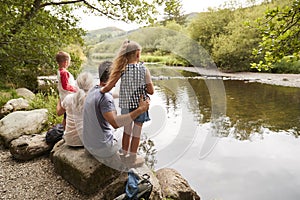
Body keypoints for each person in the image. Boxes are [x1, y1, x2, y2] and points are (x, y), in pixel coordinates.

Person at [83, 61, 150, 170]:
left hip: (89, 145)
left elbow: (109, 95)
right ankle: (128, 161)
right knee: (127, 133)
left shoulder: (93, 90)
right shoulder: (105, 98)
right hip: (100, 149)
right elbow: (115, 123)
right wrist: (140, 109)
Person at [100, 40, 154, 163]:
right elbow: (151, 91)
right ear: (138, 54)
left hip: (126, 106)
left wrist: (101, 92)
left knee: (127, 131)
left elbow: (109, 87)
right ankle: (133, 157)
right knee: (137, 133)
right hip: (141, 105)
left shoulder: (122, 69)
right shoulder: (144, 69)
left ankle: (124, 154)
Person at [56, 72, 94, 147]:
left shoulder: (69, 98)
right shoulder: (93, 99)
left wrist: (60, 99)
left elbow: (59, 113)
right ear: (91, 85)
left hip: (69, 140)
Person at [56, 51, 78, 128]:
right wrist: (76, 89)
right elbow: (66, 86)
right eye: (69, 61)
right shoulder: (64, 72)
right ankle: (66, 131)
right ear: (65, 62)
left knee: (66, 116)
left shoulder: (60, 71)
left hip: (64, 96)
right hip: (68, 96)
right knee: (68, 115)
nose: (69, 63)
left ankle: (64, 131)